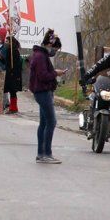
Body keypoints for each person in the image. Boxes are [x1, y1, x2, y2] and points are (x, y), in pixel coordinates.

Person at [29, 30, 65, 164]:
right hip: (43, 91)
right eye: (55, 49)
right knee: (51, 122)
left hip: (42, 91)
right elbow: (43, 76)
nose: (55, 52)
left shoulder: (40, 55)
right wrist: (56, 73)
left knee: (44, 123)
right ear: (50, 45)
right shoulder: (40, 57)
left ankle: (41, 153)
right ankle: (46, 153)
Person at [0, 33, 22, 114]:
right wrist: (1, 58)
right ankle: (12, 107)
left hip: (12, 74)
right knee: (11, 91)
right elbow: (7, 63)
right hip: (10, 73)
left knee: (12, 91)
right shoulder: (10, 50)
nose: (6, 43)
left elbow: (15, 64)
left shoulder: (13, 51)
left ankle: (13, 108)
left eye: (7, 41)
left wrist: (13, 72)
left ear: (11, 42)